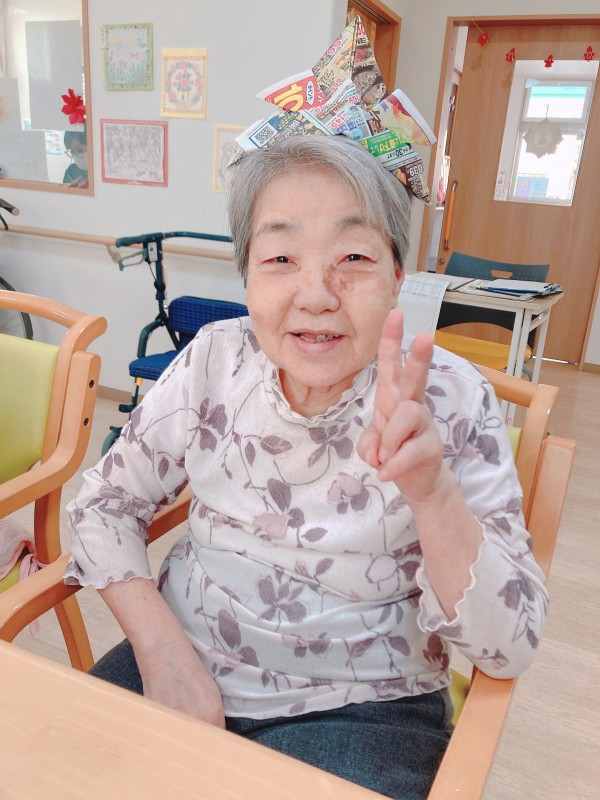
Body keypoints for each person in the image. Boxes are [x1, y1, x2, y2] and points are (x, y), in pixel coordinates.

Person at [66, 135, 548, 800]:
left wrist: (434, 495)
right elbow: (104, 503)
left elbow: (509, 646)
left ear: (397, 276)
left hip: (364, 707)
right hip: (181, 655)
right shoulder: (214, 361)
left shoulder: (455, 399)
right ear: (248, 276)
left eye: (353, 257)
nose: (317, 295)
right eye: (280, 258)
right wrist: (162, 652)